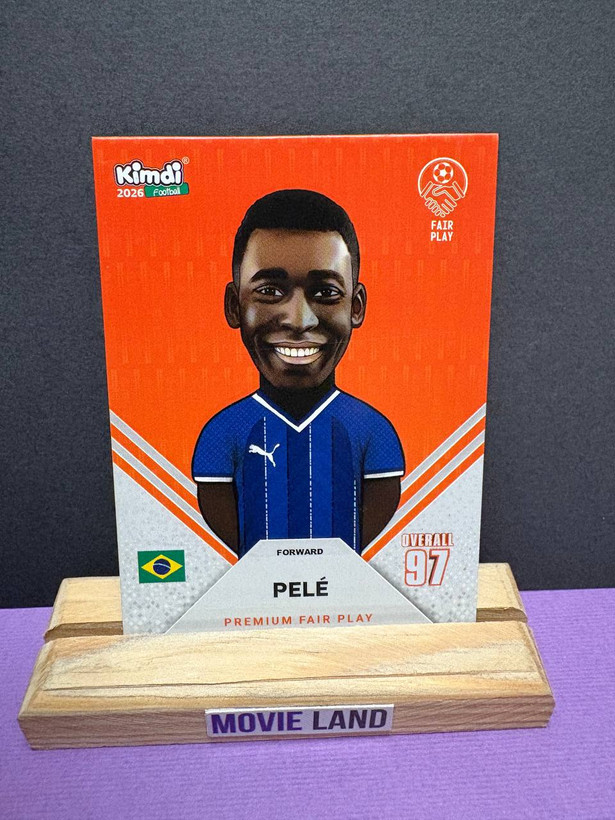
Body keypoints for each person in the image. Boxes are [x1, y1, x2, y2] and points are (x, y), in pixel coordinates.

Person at [192, 189, 404, 557]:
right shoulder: (223, 432)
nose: (299, 320)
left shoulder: (372, 430)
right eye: (270, 291)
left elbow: (382, 498)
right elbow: (216, 504)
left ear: (355, 307)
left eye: (325, 293)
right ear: (234, 306)